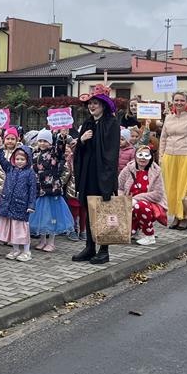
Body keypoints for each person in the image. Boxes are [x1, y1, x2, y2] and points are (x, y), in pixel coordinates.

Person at [71, 92, 121, 264]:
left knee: (103, 210)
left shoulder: (111, 123)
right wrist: (82, 140)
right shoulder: (88, 123)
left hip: (103, 174)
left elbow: (111, 151)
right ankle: (90, 247)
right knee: (89, 209)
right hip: (88, 173)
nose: (92, 106)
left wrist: (107, 177)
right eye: (90, 104)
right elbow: (80, 150)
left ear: (103, 106)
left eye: (95, 104)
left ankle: (104, 250)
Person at [158, 90, 187, 230]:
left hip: (186, 156)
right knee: (171, 188)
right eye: (176, 100)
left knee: (184, 188)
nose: (179, 103)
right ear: (172, 101)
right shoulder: (168, 117)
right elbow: (163, 138)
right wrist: (161, 156)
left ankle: (184, 216)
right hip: (169, 156)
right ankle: (175, 215)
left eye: (182, 100)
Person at [30, 130, 73, 252]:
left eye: (45, 141)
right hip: (40, 189)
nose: (42, 143)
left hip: (52, 190)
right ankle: (42, 240)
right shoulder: (35, 153)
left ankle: (51, 242)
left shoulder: (54, 152)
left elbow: (60, 149)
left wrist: (62, 138)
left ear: (50, 142)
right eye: (40, 141)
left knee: (52, 217)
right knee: (42, 217)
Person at [118, 144, 168, 245]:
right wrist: (123, 200)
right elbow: (120, 188)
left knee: (140, 206)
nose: (143, 158)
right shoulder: (128, 169)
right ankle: (134, 231)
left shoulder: (156, 172)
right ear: (135, 156)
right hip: (129, 203)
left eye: (146, 155)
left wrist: (136, 199)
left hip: (151, 205)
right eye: (140, 155)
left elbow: (158, 194)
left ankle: (149, 236)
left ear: (151, 157)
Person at [0, 145, 38, 261]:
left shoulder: (30, 173)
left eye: (22, 159)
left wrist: (31, 205)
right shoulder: (10, 169)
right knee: (12, 230)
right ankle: (15, 249)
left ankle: (26, 251)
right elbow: (2, 160)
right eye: (17, 159)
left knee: (22, 230)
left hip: (21, 206)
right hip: (8, 205)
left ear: (27, 160)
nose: (19, 161)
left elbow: (33, 190)